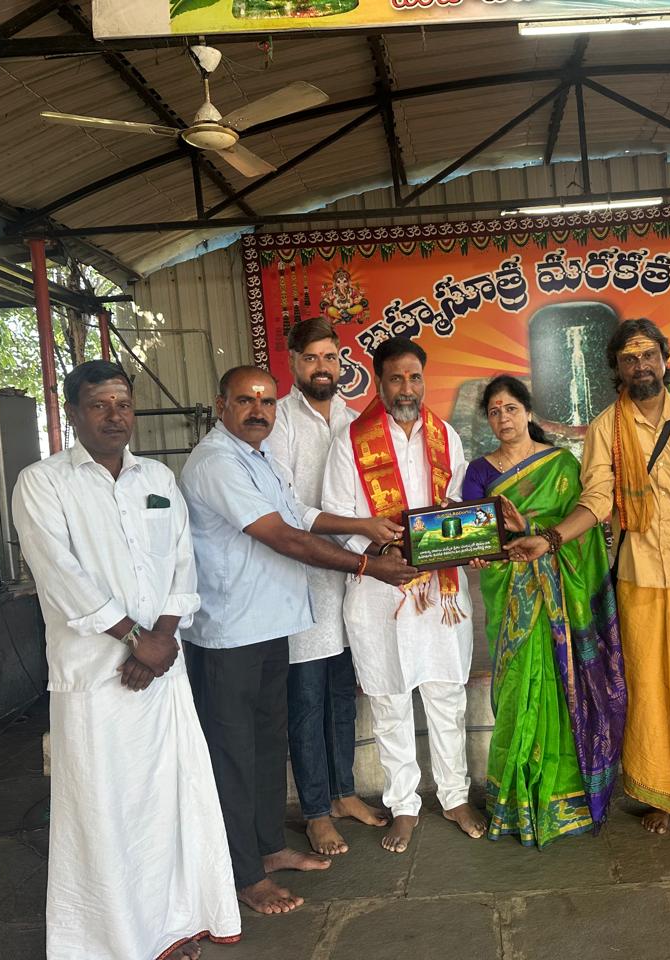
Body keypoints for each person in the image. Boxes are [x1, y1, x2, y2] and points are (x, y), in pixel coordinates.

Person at [11, 360, 238, 960]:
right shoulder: (43, 482)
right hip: (95, 675)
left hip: (162, 672)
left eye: (123, 404)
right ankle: (115, 942)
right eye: (99, 405)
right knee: (105, 814)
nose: (115, 417)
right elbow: (61, 575)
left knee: (169, 802)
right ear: (72, 413)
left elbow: (182, 563)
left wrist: (160, 638)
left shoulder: (156, 477)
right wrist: (137, 638)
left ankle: (174, 925)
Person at [180, 365, 416, 915]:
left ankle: (267, 848)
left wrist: (363, 525)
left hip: (268, 627)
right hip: (229, 635)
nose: (258, 410)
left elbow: (300, 516)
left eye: (266, 401)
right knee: (234, 756)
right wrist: (367, 566)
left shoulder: (259, 457)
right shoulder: (216, 462)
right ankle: (243, 874)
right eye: (245, 400)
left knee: (267, 746)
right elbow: (283, 537)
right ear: (221, 405)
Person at [507, 319, 670, 836]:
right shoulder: (606, 427)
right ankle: (661, 795)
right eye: (630, 359)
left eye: (648, 355)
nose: (641, 366)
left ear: (664, 359)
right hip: (638, 575)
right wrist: (551, 539)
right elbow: (597, 500)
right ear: (617, 368)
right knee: (648, 691)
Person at [322, 337, 487, 853]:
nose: (407, 388)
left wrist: (468, 541)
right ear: (379, 382)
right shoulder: (352, 440)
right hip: (380, 591)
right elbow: (338, 514)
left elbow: (458, 504)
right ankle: (404, 805)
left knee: (446, 694)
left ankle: (455, 796)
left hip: (440, 593)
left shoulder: (445, 436)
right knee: (390, 698)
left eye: (415, 377)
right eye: (396, 378)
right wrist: (380, 554)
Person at [460, 376, 627, 847]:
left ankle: (565, 795)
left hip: (560, 601)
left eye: (511, 408)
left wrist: (530, 524)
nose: (503, 419)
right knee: (517, 690)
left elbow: (584, 531)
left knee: (561, 683)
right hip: (511, 599)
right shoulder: (478, 471)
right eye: (494, 412)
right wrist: (481, 551)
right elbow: (477, 535)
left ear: (528, 412)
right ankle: (515, 799)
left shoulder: (561, 465)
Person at [266, 318, 393, 856]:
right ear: (294, 362)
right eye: (312, 357)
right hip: (301, 578)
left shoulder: (353, 419)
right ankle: (316, 810)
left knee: (343, 694)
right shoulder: (279, 421)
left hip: (353, 578)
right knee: (307, 700)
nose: (322, 367)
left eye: (331, 357)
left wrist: (379, 537)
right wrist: (361, 527)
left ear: (343, 363)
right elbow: (285, 508)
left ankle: (343, 794)